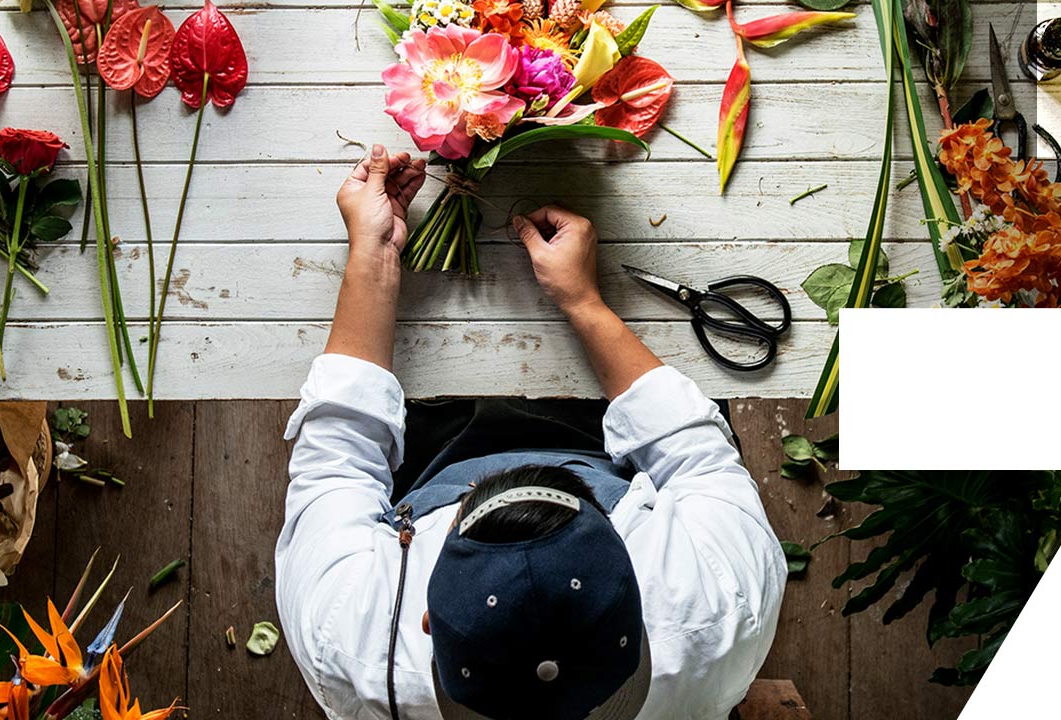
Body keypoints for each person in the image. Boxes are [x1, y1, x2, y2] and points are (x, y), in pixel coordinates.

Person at [275, 144, 787, 720]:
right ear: (641, 594)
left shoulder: (348, 644)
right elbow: (696, 455)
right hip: (606, 451)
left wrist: (374, 256)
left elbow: (336, 459)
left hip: (432, 460)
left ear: (428, 623)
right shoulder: (721, 612)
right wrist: (584, 301)